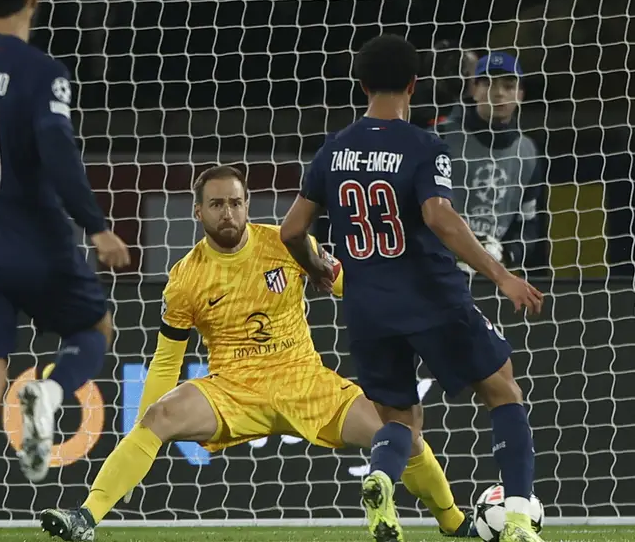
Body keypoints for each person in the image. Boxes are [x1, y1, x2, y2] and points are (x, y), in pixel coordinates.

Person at [38, 165, 478, 542]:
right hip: (234, 389)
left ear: (247, 204)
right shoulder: (185, 279)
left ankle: (454, 523)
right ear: (198, 213)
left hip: (305, 381)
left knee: (400, 432)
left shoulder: (287, 243)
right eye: (216, 205)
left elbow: (350, 284)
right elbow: (168, 360)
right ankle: (86, 516)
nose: (227, 213)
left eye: (235, 202)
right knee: (160, 418)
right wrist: (139, 430)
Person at [280, 34, 546, 542]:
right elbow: (439, 217)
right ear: (413, 85)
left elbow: (292, 231)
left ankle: (381, 481)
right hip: (431, 295)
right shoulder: (425, 145)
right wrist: (502, 274)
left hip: (366, 309)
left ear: (361, 85)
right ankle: (516, 522)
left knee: (400, 417)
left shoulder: (333, 149)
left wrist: (315, 266)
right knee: (503, 389)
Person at [0, 0, 130, 541]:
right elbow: (57, 149)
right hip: (39, 244)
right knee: (94, 326)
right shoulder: (45, 72)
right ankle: (55, 390)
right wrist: (97, 226)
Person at [437, 52, 544, 278]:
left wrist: (506, 255)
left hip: (493, 275)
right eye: (489, 84)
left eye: (508, 85)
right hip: (439, 269)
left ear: (520, 94)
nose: (498, 93)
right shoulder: (441, 138)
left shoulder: (528, 152)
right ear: (474, 89)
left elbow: (528, 223)